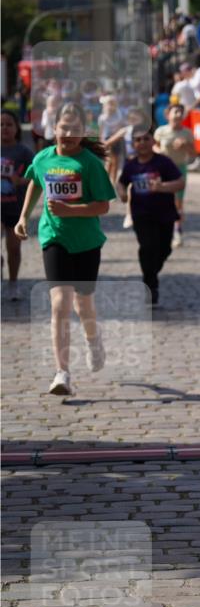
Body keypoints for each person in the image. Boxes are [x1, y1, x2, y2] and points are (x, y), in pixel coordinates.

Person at [14, 101, 115, 396]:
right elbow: (35, 180)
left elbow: (104, 205)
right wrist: (23, 217)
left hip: (86, 242)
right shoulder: (44, 157)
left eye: (75, 129)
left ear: (84, 132)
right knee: (59, 304)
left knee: (83, 305)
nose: (68, 134)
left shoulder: (90, 164)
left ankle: (93, 340)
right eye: (63, 128)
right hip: (53, 237)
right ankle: (63, 373)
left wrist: (71, 211)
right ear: (53, 128)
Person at [117, 124, 185, 307]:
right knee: (148, 247)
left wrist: (162, 187)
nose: (142, 143)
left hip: (165, 214)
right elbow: (121, 183)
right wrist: (122, 193)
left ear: (153, 141)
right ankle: (150, 286)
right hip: (141, 214)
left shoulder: (163, 162)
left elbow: (180, 183)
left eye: (146, 138)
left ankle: (150, 275)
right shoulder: (131, 165)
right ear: (133, 144)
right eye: (138, 140)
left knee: (164, 249)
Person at [1, 109, 33, 300]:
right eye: (1, 124)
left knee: (13, 248)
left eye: (9, 124)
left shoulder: (23, 152)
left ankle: (13, 282)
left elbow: (36, 178)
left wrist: (20, 181)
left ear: (16, 128)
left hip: (15, 208)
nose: (4, 128)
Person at [153, 102, 196, 247]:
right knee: (162, 199)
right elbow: (154, 146)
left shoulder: (187, 133)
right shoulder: (160, 131)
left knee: (178, 202)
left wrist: (186, 145)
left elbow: (194, 154)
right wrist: (158, 152)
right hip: (163, 169)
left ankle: (177, 231)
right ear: (168, 115)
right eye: (175, 111)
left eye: (180, 112)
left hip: (179, 169)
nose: (178, 114)